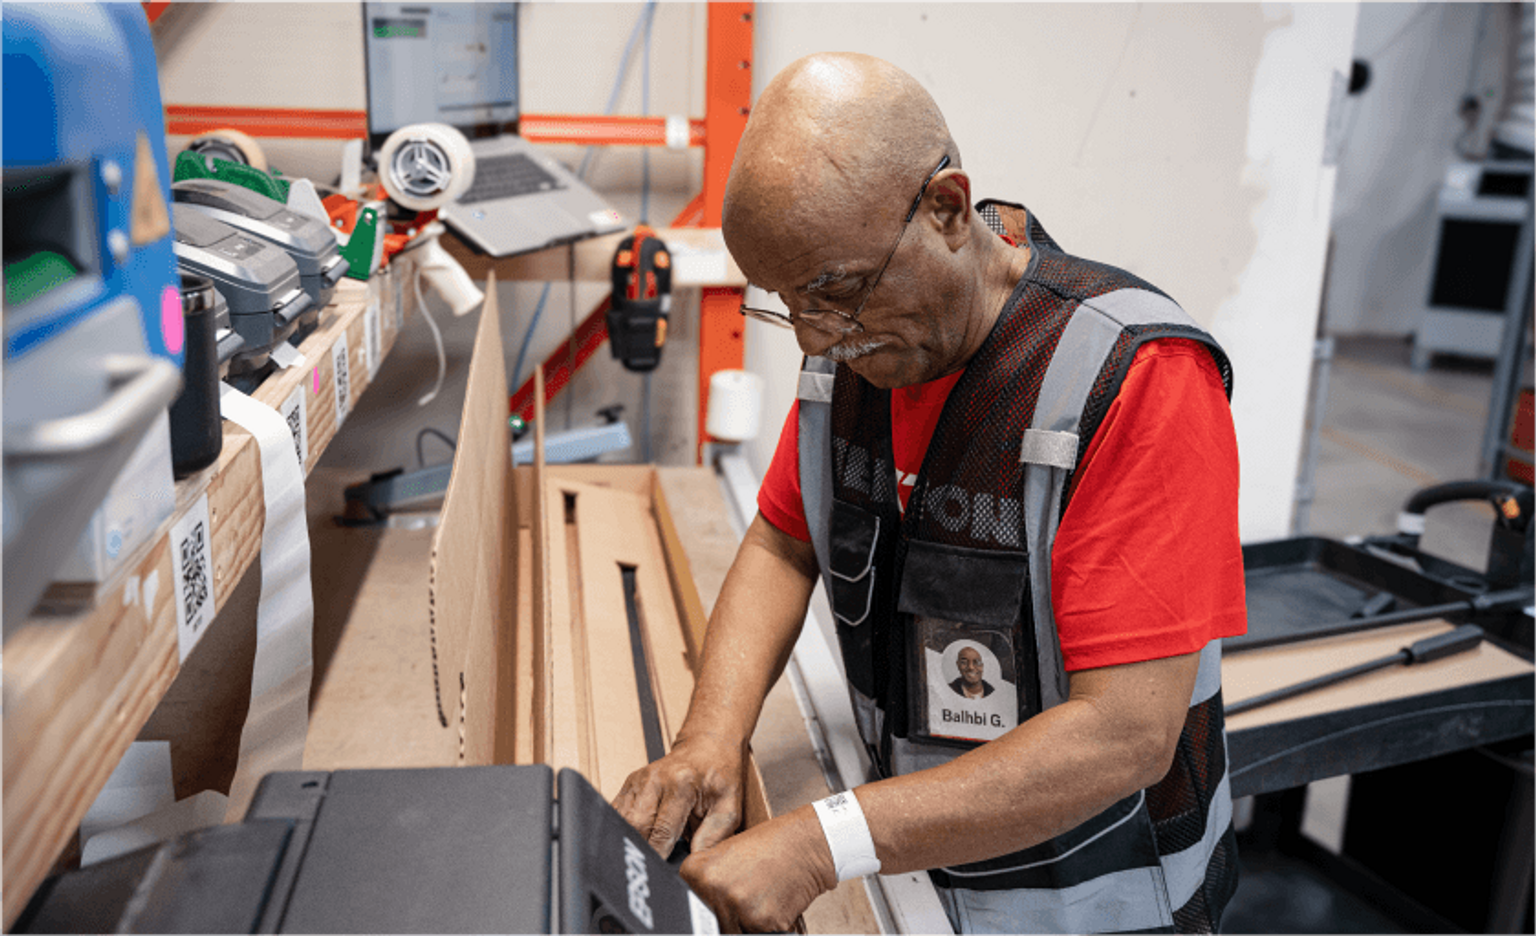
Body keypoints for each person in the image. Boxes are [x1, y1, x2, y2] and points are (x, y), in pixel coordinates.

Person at [614, 52, 1246, 936]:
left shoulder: (1133, 376)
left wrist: (815, 846)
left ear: (947, 207)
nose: (812, 334)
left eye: (833, 289)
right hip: (916, 880)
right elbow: (784, 540)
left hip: (1098, 906)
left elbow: (1125, 734)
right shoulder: (856, 348)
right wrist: (710, 741)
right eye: (784, 301)